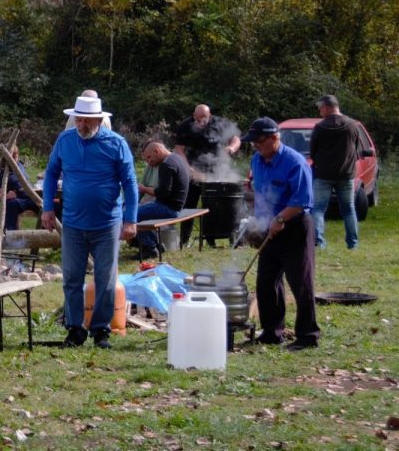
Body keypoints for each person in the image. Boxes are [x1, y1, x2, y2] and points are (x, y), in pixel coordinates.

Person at [41, 96, 138, 349]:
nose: (82, 124)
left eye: (86, 120)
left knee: (105, 278)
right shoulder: (65, 140)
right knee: (72, 277)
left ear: (98, 120)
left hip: (107, 224)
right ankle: (74, 330)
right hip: (73, 222)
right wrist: (47, 208)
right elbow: (51, 173)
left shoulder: (116, 144)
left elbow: (129, 182)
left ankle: (100, 331)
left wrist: (130, 220)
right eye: (78, 119)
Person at [242, 117, 320, 351]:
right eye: (253, 142)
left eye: (259, 141)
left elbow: (301, 201)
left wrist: (280, 219)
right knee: (266, 283)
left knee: (301, 283)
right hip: (270, 227)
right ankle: (272, 333)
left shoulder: (295, 162)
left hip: (295, 227)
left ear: (275, 138)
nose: (255, 145)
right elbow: (259, 192)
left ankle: (308, 336)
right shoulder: (256, 160)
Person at [174, 104, 241, 245]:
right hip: (193, 170)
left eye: (202, 119)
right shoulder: (185, 126)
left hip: (216, 170)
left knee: (215, 205)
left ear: (209, 116)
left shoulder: (219, 123)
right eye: (197, 119)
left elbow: (236, 139)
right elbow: (179, 150)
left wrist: (231, 148)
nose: (199, 123)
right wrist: (188, 169)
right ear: (193, 115)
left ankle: (214, 237)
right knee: (189, 206)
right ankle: (183, 241)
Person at [309, 95, 360, 249]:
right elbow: (356, 146)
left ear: (327, 107)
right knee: (349, 210)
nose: (319, 112)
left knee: (318, 209)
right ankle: (353, 244)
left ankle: (319, 242)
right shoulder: (352, 125)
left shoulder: (320, 127)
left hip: (323, 175)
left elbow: (312, 151)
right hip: (346, 174)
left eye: (320, 108)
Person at [135, 141, 190, 258]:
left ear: (157, 151)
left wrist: (144, 189)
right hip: (176, 206)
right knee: (138, 210)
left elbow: (163, 193)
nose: (149, 162)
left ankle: (149, 248)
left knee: (133, 214)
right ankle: (158, 245)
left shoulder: (166, 165)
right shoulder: (176, 158)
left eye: (149, 158)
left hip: (169, 208)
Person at [0, 145, 40, 230]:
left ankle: (51, 236)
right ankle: (11, 237)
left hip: (34, 198)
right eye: (12, 158)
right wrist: (6, 196)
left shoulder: (20, 166)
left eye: (16, 157)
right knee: (11, 204)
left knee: (55, 205)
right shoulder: (2, 172)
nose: (14, 160)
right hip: (20, 201)